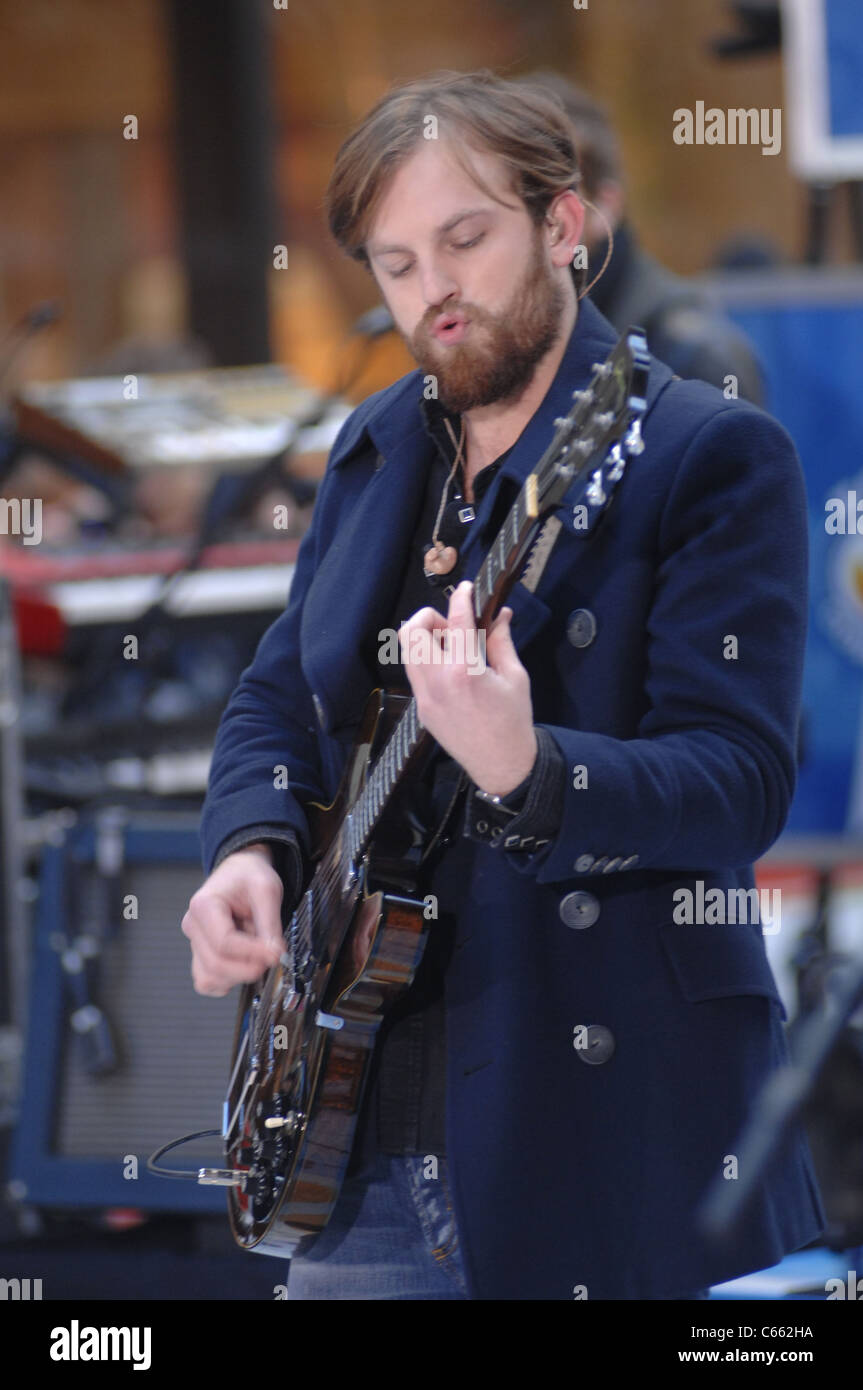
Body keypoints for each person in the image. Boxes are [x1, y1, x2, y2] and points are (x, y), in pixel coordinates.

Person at [183, 68, 824, 1300]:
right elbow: (277, 698)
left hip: (607, 1121)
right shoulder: (376, 451)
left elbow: (738, 781)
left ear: (563, 225)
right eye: (398, 262)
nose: (437, 291)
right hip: (358, 1128)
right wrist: (249, 851)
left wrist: (530, 769)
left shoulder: (699, 451)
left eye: (465, 239)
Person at [519, 70, 767, 405]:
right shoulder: (509, 346)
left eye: (546, 202)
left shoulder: (692, 356)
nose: (527, 226)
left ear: (605, 204)